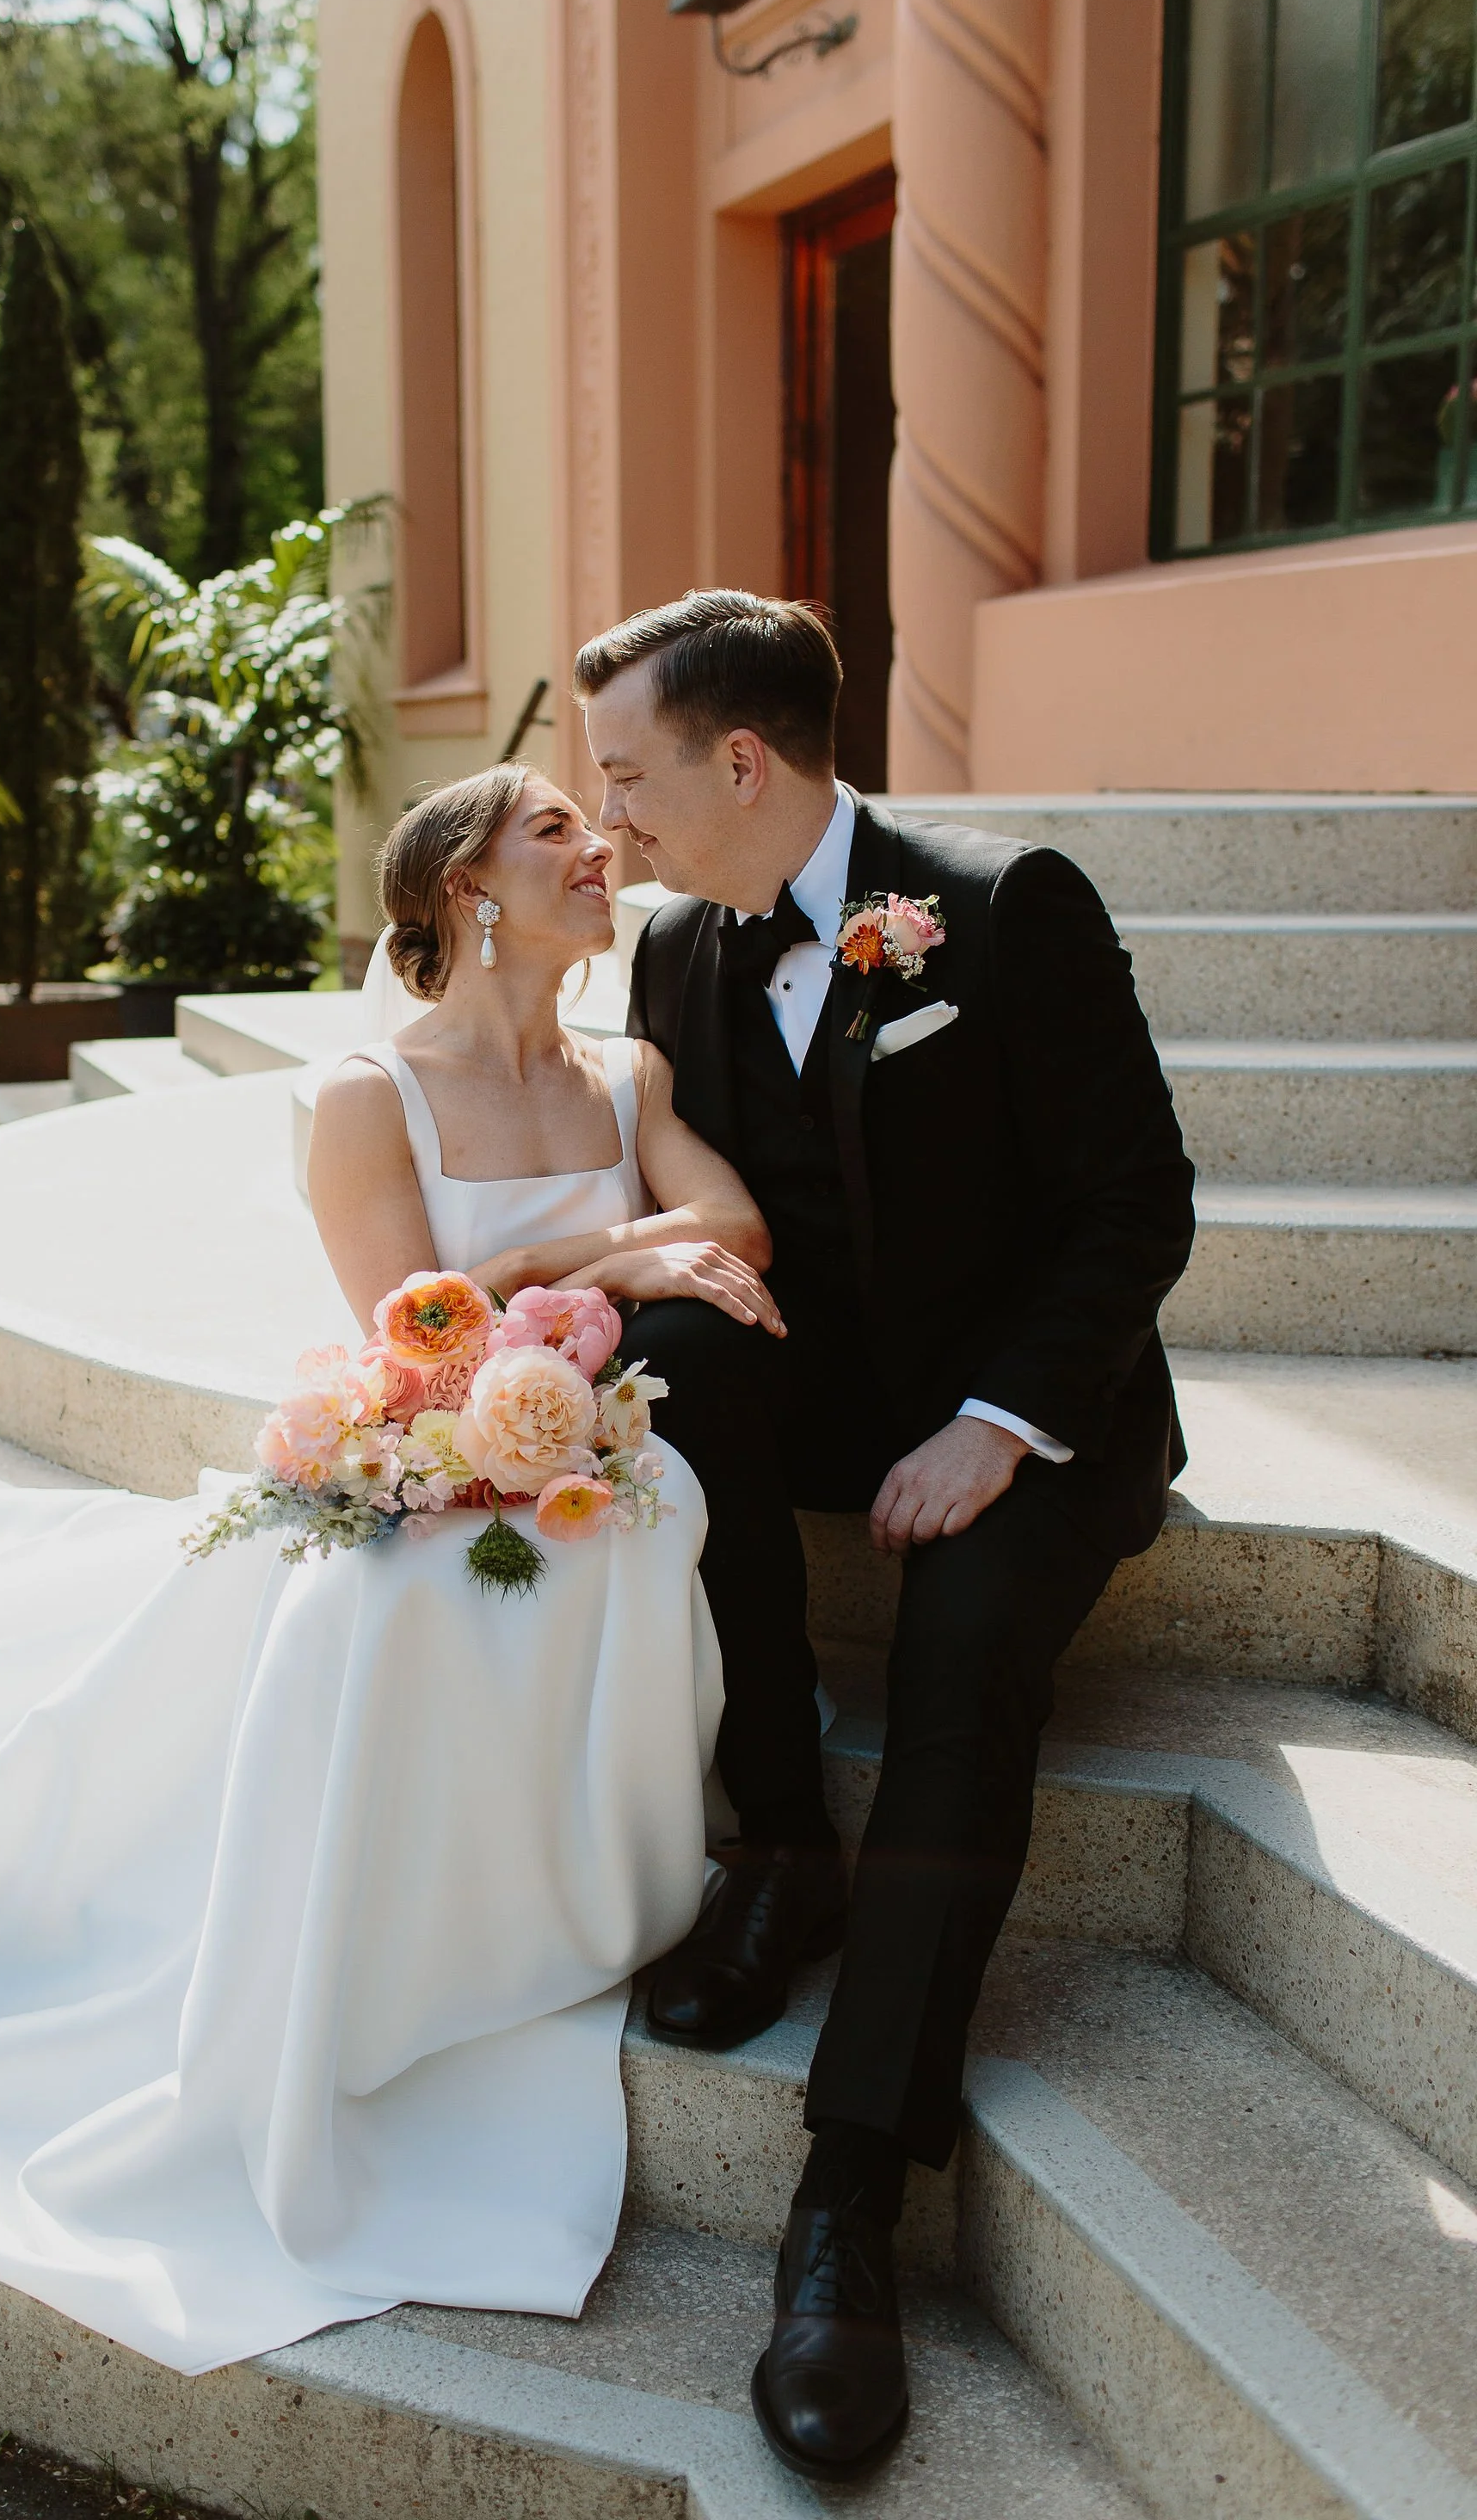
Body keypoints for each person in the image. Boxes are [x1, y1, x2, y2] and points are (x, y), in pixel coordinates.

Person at [0, 762, 773, 2380]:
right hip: (429, 1445)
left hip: (585, 1452)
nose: (601, 845)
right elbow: (413, 1322)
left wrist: (601, 1268)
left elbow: (738, 1228)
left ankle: (575, 1892)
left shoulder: (631, 1071)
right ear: (466, 886)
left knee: (630, 1539)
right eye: (557, 826)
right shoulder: (372, 1095)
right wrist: (591, 1253)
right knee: (396, 1606)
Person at [577, 590, 1196, 2484]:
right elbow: (677, 1201)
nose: (606, 825)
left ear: (741, 759)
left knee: (954, 1669)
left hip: (1032, 1416)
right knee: (668, 1365)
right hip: (830, 1394)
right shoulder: (677, 948)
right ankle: (781, 1842)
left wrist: (1001, 1427)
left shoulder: (1002, 908)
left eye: (626, 778)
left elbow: (1134, 1205)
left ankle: (847, 2204)